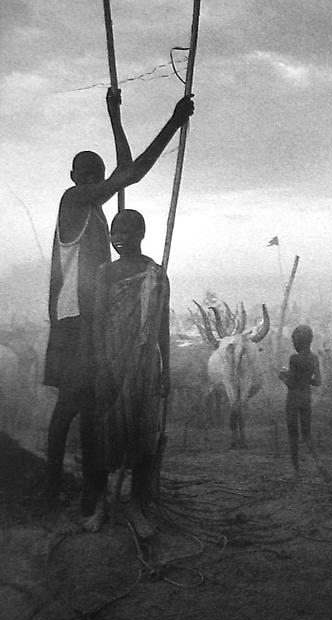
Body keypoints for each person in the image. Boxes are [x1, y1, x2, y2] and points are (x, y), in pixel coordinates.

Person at [43, 87, 193, 527]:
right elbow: (134, 174)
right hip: (75, 322)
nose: (93, 181)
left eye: (97, 175)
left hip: (84, 319)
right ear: (74, 177)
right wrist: (173, 120)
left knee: (86, 407)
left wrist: (115, 117)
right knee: (73, 408)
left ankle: (82, 492)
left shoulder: (89, 203)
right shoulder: (74, 201)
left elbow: (126, 171)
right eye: (88, 175)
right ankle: (57, 490)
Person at [90, 210, 170, 535]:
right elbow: (97, 322)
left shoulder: (156, 274)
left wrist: (167, 369)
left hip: (145, 365)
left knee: (141, 434)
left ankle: (136, 505)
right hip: (111, 361)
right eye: (113, 232)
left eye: (125, 232)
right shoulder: (105, 273)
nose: (118, 238)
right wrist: (101, 364)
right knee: (104, 431)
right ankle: (100, 504)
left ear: (141, 234)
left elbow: (161, 326)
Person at [278, 324, 322, 477]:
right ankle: (319, 464)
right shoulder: (314, 358)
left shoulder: (294, 358)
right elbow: (318, 382)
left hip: (293, 399)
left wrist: (283, 375)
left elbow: (291, 383)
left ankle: (296, 471)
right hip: (306, 398)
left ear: (297, 341)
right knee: (307, 434)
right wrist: (305, 379)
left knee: (293, 435)